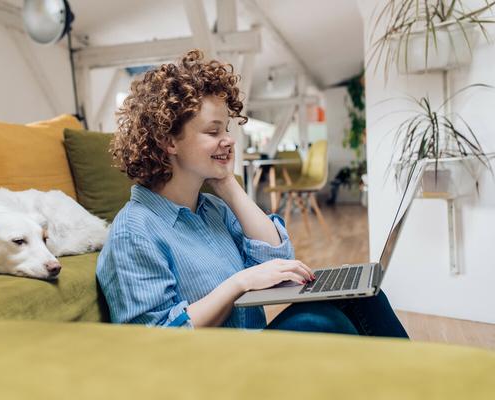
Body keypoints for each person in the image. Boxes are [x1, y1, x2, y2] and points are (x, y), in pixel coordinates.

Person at [96, 50, 408, 337]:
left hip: (250, 349)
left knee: (364, 297)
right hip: (205, 373)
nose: (228, 140)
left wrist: (227, 184)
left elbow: (278, 259)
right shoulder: (135, 232)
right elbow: (158, 339)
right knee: (321, 324)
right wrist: (240, 283)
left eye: (227, 129)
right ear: (169, 142)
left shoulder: (212, 209)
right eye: (213, 131)